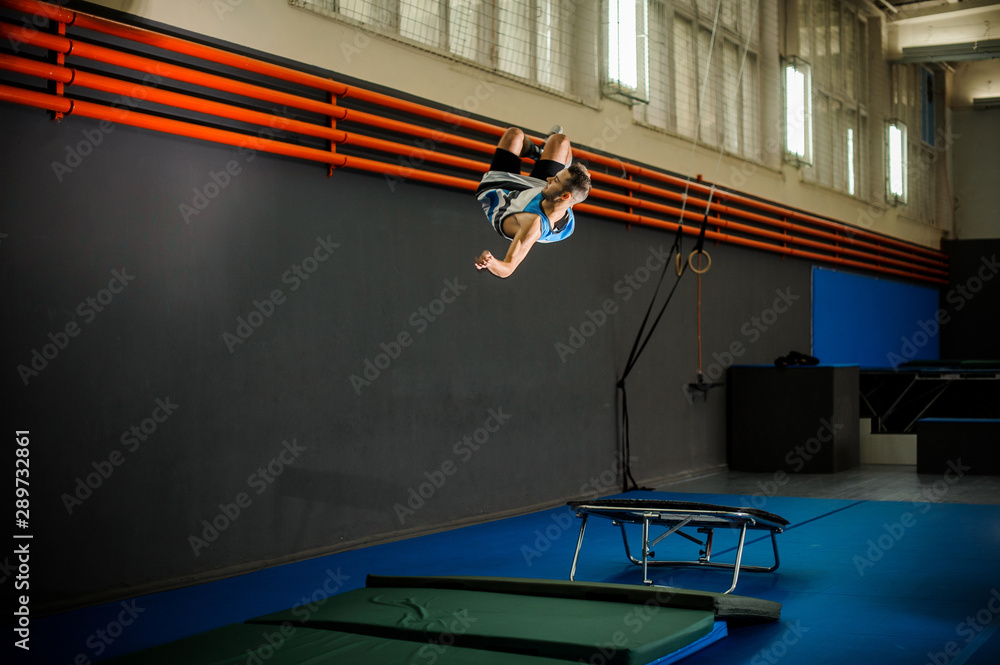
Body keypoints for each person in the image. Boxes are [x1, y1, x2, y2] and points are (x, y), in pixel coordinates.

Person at [475, 126, 591, 278]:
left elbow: (508, 268)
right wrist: (581, 173)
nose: (549, 179)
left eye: (555, 179)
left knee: (514, 135)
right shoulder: (563, 196)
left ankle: (539, 153)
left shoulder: (533, 224)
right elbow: (578, 182)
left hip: (503, 190)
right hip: (537, 190)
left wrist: (491, 262)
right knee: (560, 141)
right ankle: (539, 153)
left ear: (565, 196)